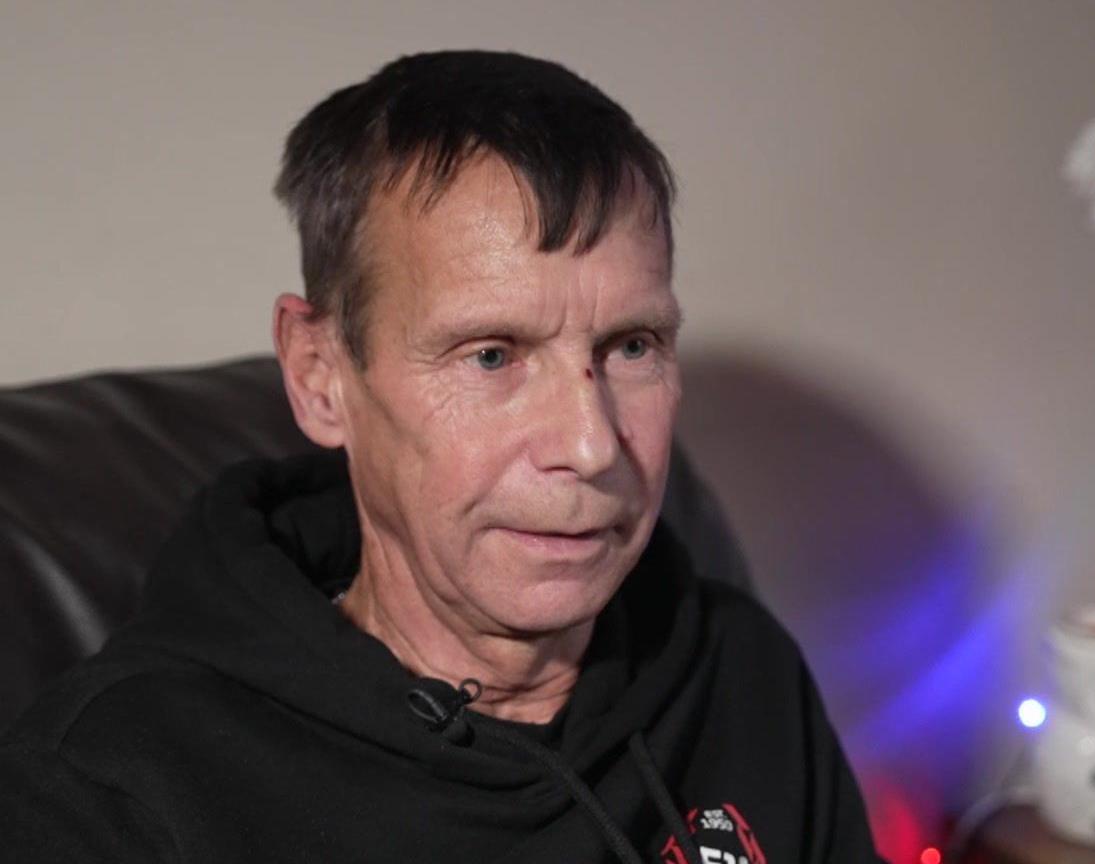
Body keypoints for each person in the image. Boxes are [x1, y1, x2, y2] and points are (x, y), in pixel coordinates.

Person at [0, 50, 885, 863]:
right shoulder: (107, 796)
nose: (589, 444)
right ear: (319, 377)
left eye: (630, 346)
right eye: (492, 354)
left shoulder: (740, 671)